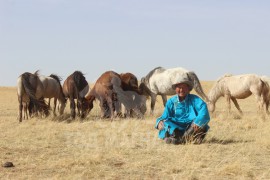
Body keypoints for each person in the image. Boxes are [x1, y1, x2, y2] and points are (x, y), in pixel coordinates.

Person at [155, 76, 210, 144]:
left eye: (184, 87)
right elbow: (165, 117)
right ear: (175, 89)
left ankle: (180, 140)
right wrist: (159, 122)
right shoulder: (171, 102)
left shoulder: (195, 100)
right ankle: (180, 138)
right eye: (179, 87)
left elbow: (203, 111)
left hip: (192, 127)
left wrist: (197, 122)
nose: (181, 90)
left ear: (188, 89)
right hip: (177, 127)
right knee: (165, 123)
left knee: (202, 124)